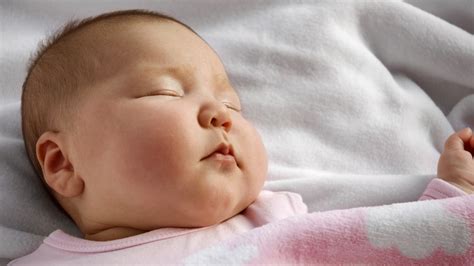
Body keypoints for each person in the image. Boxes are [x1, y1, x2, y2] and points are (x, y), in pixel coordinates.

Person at [12, 9, 473, 264]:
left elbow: (394, 250)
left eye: (233, 104)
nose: (220, 114)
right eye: (165, 92)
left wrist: (453, 199)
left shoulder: (277, 220)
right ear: (63, 163)